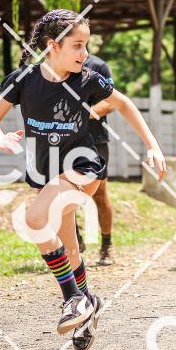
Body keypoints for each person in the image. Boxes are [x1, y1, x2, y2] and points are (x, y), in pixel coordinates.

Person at [0, 9, 166, 350]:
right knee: (69, 249)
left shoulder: (88, 80)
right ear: (53, 46)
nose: (85, 53)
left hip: (82, 166)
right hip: (46, 173)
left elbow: (124, 104)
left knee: (34, 220)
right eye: (77, 46)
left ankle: (73, 299)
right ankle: (87, 305)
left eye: (86, 45)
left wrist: (153, 145)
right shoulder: (24, 80)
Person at [79, 54, 117, 265]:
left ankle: (107, 244)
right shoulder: (53, 67)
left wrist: (83, 115)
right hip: (64, 139)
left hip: (95, 139)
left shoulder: (98, 66)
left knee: (99, 194)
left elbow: (110, 102)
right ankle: (75, 239)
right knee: (62, 191)